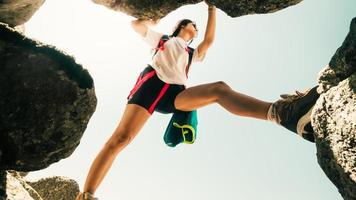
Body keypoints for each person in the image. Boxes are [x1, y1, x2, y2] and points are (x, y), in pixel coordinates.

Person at [76, 2, 319, 199]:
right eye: (192, 24)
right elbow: (135, 24)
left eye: (197, 27)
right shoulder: (162, 39)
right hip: (151, 86)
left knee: (219, 90)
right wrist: (152, 20)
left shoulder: (192, 53)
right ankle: (87, 194)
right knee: (121, 138)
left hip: (176, 94)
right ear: (181, 26)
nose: (196, 27)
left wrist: (211, 8)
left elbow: (209, 41)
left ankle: (284, 114)